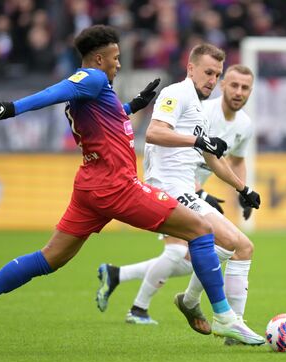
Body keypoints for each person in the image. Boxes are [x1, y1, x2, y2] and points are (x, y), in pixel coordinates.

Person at [0, 25, 257, 349]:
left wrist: (132, 106)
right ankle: (224, 317)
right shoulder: (92, 78)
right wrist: (10, 108)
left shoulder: (95, 93)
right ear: (99, 58)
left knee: (48, 258)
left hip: (90, 186)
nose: (119, 64)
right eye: (115, 58)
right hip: (116, 185)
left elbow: (107, 120)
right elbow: (56, 91)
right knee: (200, 229)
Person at [96, 53, 264, 346]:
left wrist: (243, 190)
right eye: (210, 74)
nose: (212, 81)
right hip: (170, 189)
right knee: (214, 248)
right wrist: (199, 156)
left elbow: (214, 158)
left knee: (232, 246)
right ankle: (211, 316)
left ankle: (208, 313)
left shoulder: (206, 112)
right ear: (191, 68)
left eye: (216, 74)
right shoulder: (177, 93)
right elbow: (154, 132)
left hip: (186, 188)